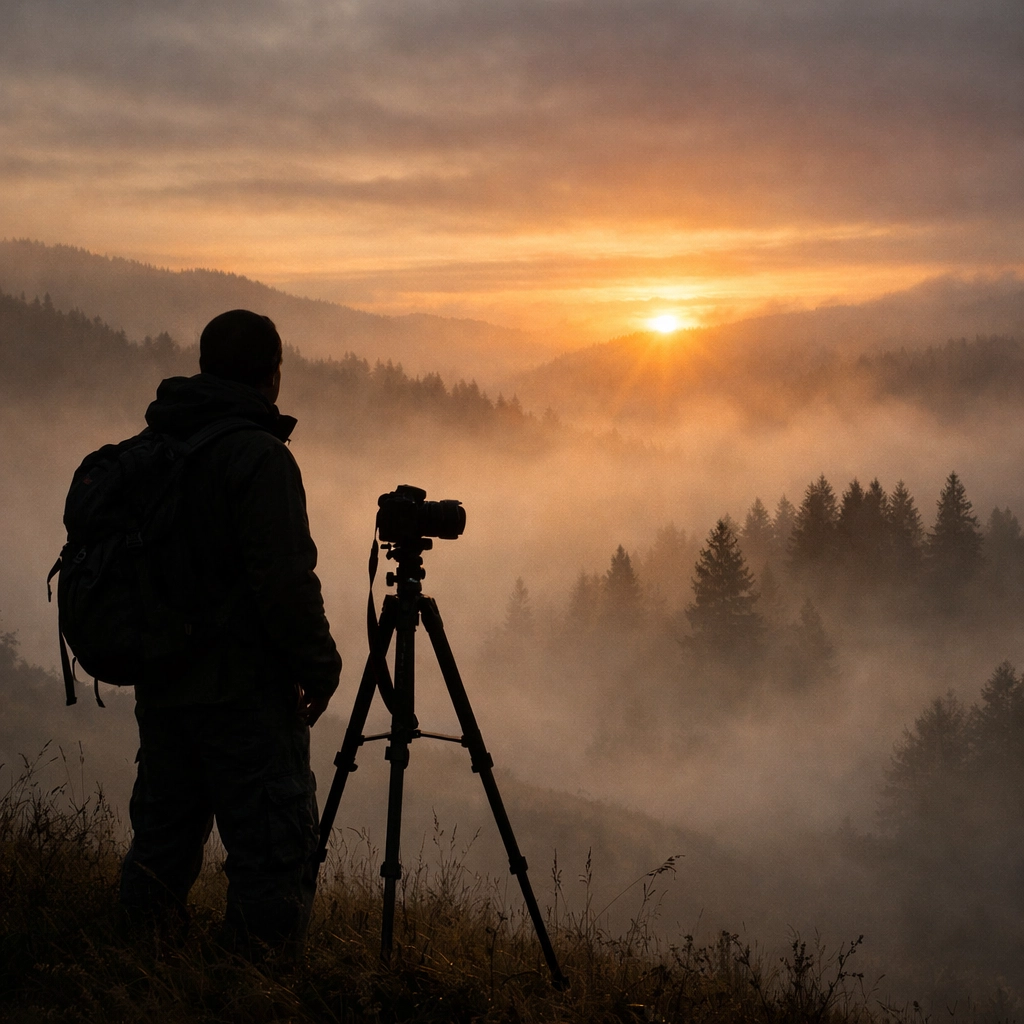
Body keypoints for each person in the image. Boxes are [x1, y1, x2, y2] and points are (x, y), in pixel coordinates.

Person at [119, 309, 342, 958]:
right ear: (272, 375)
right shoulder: (259, 458)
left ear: (205, 365)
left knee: (161, 842)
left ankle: (134, 974)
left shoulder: (154, 446)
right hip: (243, 693)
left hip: (163, 684)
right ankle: (253, 990)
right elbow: (286, 581)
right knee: (272, 852)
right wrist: (319, 667)